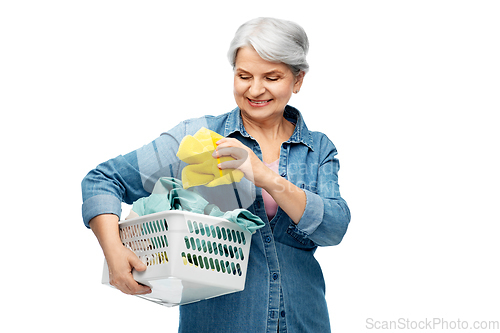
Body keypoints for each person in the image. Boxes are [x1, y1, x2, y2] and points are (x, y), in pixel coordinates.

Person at [81, 17, 351, 333]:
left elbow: (334, 228)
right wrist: (113, 250)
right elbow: (103, 180)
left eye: (272, 77)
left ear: (298, 80)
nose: (255, 89)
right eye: (244, 75)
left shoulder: (317, 148)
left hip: (303, 321)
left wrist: (265, 176)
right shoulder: (199, 137)